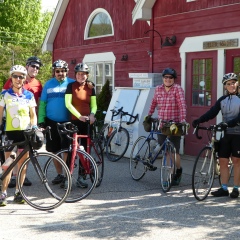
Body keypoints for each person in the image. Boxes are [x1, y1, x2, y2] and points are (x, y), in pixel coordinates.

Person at [192, 73, 240, 198]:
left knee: (236, 160)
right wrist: (199, 120)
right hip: (225, 134)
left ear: (237, 83)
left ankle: (236, 188)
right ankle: (224, 188)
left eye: (233, 83)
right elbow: (212, 113)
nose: (231, 85)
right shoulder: (222, 100)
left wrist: (228, 123)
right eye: (228, 84)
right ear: (225, 86)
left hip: (238, 134)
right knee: (223, 161)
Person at [2, 56, 43, 188]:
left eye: (37, 67)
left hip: (27, 124)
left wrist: (36, 123)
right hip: (11, 125)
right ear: (27, 66)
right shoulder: (10, 84)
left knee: (23, 156)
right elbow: (3, 103)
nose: (35, 69)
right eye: (33, 66)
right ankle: (13, 178)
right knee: (11, 157)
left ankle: (20, 181)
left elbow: (39, 103)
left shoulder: (38, 84)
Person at [0, 65, 37, 206]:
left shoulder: (29, 95)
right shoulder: (4, 95)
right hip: (10, 134)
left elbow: (33, 115)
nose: (18, 79)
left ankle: (18, 192)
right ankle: (3, 193)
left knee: (23, 165)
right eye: (15, 76)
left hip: (25, 134)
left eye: (21, 76)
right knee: (8, 164)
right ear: (11, 78)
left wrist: (34, 127)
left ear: (24, 79)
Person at [147, 68, 187, 185]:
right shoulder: (158, 89)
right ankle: (169, 176)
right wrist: (149, 115)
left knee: (174, 152)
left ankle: (178, 170)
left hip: (174, 124)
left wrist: (183, 119)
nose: (168, 80)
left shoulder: (177, 89)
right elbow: (154, 102)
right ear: (163, 78)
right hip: (162, 124)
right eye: (166, 77)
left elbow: (182, 105)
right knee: (166, 151)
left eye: (170, 78)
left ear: (174, 79)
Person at [38, 59, 75, 186]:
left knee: (66, 149)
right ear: (54, 72)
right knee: (54, 150)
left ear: (67, 71)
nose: (60, 73)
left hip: (67, 122)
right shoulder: (48, 84)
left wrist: (90, 84)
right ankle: (59, 174)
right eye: (57, 71)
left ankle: (66, 175)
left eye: (63, 71)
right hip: (51, 121)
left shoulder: (72, 83)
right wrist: (41, 120)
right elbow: (42, 104)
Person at [65, 63, 97, 188]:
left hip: (87, 122)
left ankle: (82, 176)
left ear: (87, 75)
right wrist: (79, 116)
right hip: (74, 121)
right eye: (78, 74)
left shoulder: (91, 87)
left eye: (83, 74)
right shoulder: (70, 86)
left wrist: (93, 114)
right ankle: (68, 177)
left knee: (85, 149)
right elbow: (68, 104)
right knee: (71, 149)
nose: (81, 76)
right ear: (76, 75)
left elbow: (94, 104)